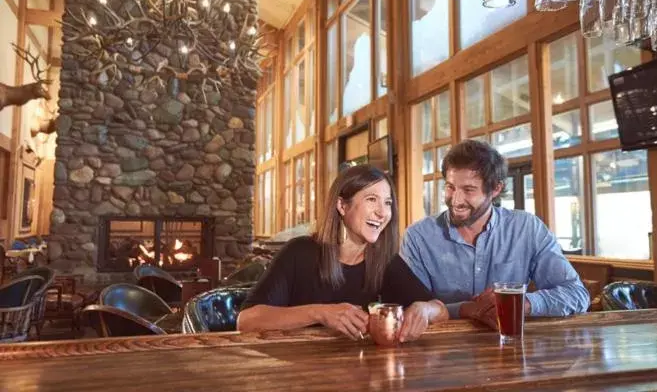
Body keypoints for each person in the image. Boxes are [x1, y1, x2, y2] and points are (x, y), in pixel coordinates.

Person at [238, 164, 448, 341]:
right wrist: (320, 313)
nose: (382, 213)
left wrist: (425, 310)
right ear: (342, 205)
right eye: (371, 199)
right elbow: (247, 321)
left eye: (388, 202)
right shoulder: (299, 252)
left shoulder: (387, 264)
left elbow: (441, 311)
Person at [400, 140, 589, 328]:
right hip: (439, 352)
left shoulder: (526, 229)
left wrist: (520, 303)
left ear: (495, 189)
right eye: (450, 187)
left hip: (511, 346)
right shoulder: (418, 237)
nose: (456, 200)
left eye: (468, 190)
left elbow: (576, 294)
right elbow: (409, 312)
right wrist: (467, 308)